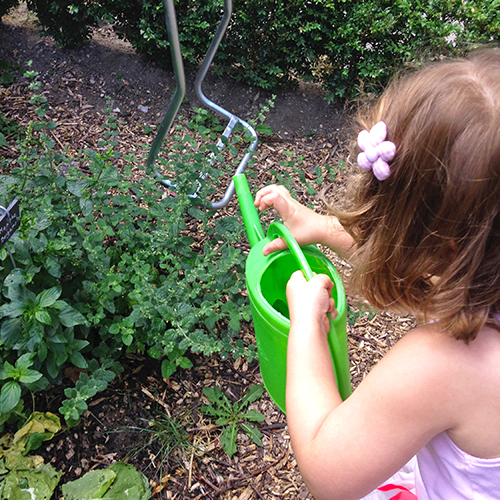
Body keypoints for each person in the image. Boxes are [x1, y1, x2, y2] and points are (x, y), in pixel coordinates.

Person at [253, 49, 500, 500]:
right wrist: (325, 229)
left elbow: (328, 471)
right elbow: (433, 272)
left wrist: (306, 325)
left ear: (443, 250)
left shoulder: (443, 367)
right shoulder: (484, 278)